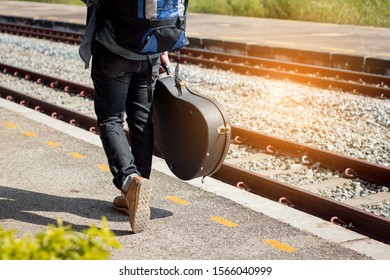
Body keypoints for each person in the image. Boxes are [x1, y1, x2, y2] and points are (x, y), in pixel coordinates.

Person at [79, 0, 171, 233]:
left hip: (113, 51)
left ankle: (131, 182)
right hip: (150, 50)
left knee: (110, 119)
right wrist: (163, 49)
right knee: (142, 123)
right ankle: (137, 193)